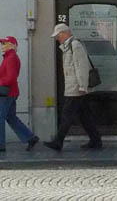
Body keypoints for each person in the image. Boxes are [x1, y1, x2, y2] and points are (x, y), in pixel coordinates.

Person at [44, 23, 102, 151]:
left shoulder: (75, 45)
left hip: (76, 89)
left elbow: (81, 67)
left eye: (58, 35)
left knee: (67, 114)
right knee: (84, 115)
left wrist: (82, 86)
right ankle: (96, 140)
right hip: (74, 87)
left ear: (65, 33)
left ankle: (58, 141)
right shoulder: (68, 46)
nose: (57, 38)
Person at [0, 36, 39, 152]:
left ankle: (1, 145)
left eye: (5, 43)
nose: (2, 46)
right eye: (2, 43)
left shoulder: (11, 58)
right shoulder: (8, 57)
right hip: (10, 92)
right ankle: (30, 138)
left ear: (12, 45)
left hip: (7, 93)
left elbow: (11, 78)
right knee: (11, 117)